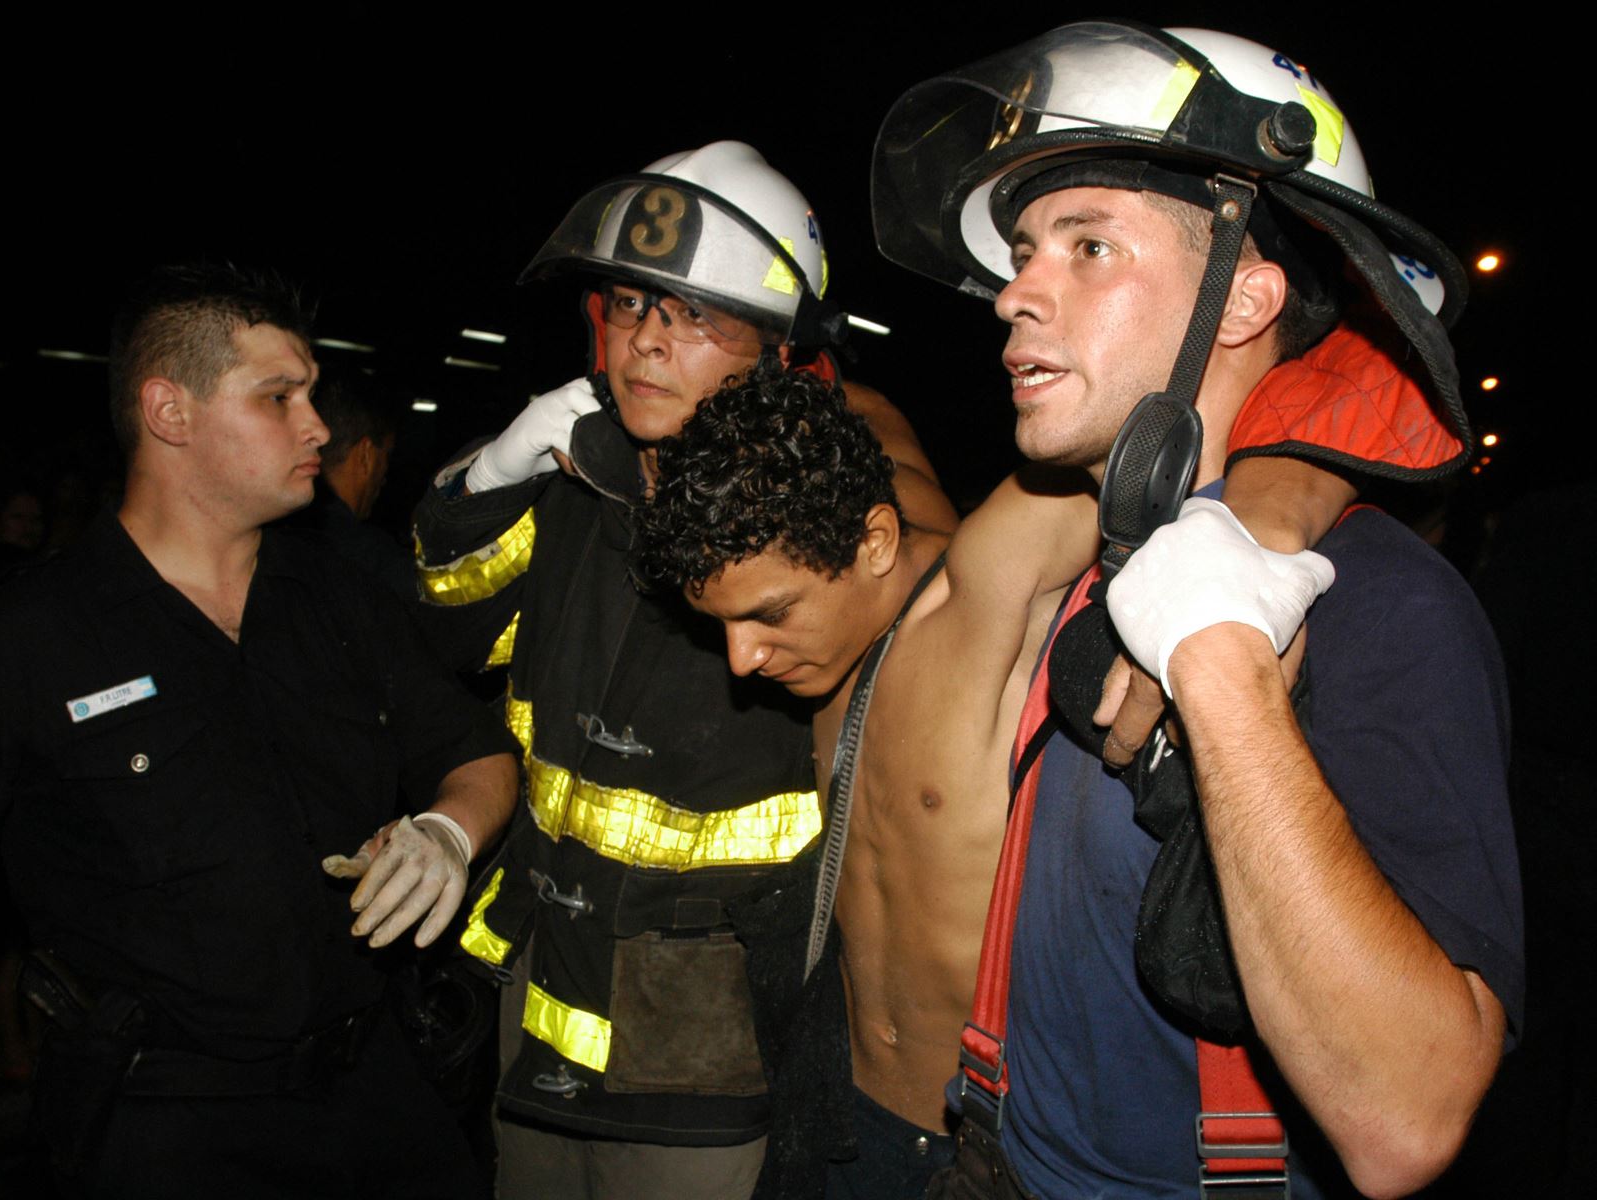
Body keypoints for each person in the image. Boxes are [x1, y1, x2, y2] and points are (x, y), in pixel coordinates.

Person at [865, 23, 1520, 1198]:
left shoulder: (1386, 604)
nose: (1015, 292)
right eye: (1023, 251)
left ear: (1244, 296)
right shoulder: (1097, 558)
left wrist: (1221, 665)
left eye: (1088, 246)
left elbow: (1406, 1124)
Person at [0, 263, 519, 1200]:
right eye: (278, 396)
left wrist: (447, 831)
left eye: (311, 394)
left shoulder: (341, 602)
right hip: (164, 1118)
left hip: (374, 1088)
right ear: (169, 412)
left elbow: (475, 750)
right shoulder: (23, 644)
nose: (317, 426)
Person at [633, 343, 1403, 1198]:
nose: (742, 660)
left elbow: (1223, 396)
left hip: (983, 1143)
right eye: (724, 627)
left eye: (769, 615)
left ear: (876, 542)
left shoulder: (987, 586)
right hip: (842, 1116)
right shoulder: (811, 636)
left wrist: (1267, 527)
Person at [409, 141, 953, 1198]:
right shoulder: (574, 468)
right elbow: (444, 634)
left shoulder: (830, 462)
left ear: (783, 350)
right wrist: (488, 473)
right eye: (628, 305)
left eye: (695, 315)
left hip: (710, 1034)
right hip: (540, 997)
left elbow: (930, 559)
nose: (648, 343)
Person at [289, 373, 408, 594]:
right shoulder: (376, 562)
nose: (385, 476)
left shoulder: (277, 541)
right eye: (387, 456)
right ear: (366, 455)